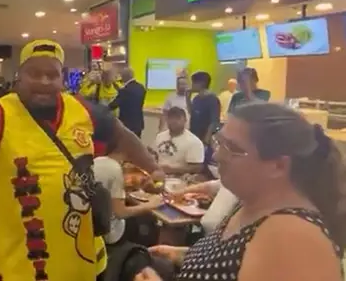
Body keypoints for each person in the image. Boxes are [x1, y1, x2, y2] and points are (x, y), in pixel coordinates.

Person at [0, 39, 158, 281]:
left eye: (52, 75)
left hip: (87, 263)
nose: (44, 82)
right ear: (19, 76)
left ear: (61, 79)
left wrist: (154, 169)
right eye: (35, 73)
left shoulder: (83, 110)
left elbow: (122, 134)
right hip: (26, 268)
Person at [146, 102, 346, 281]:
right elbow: (234, 261)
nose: (217, 155)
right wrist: (183, 255)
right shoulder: (250, 203)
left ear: (278, 166)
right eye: (219, 142)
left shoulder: (294, 240)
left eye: (232, 148)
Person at [94, 150, 163, 246]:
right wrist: (149, 206)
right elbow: (120, 213)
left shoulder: (99, 160)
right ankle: (146, 253)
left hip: (94, 223)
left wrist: (138, 203)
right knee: (148, 219)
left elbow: (114, 195)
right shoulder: (115, 169)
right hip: (109, 233)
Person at [153, 107, 204, 176]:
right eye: (171, 118)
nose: (173, 121)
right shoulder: (160, 136)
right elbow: (154, 155)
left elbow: (197, 167)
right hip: (157, 174)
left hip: (180, 179)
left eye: (178, 118)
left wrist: (173, 170)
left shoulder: (194, 142)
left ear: (185, 120)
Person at [108, 68, 146, 138]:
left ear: (124, 77)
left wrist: (101, 109)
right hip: (138, 124)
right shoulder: (141, 88)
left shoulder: (125, 91)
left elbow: (113, 105)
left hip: (126, 125)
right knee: (136, 145)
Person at [187, 71, 220, 145]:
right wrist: (187, 98)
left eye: (193, 83)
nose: (191, 85)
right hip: (195, 135)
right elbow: (192, 113)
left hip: (205, 138)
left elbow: (214, 121)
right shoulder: (196, 98)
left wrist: (207, 138)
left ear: (201, 83)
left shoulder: (212, 99)